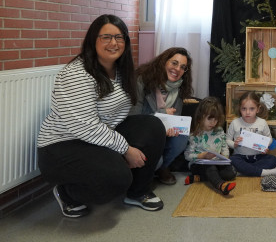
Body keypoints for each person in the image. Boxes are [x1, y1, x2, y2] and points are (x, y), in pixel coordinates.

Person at [37, 14, 166, 218]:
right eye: (106, 37)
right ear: (92, 40)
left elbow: (119, 115)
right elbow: (85, 127)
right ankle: (67, 194)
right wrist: (125, 149)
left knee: (153, 126)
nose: (114, 43)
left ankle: (137, 192)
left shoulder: (121, 70)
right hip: (62, 147)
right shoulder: (76, 74)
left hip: (98, 138)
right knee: (117, 177)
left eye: (119, 37)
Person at [130, 47, 193, 185]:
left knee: (182, 138)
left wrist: (172, 128)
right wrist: (162, 116)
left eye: (183, 67)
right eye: (174, 63)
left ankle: (161, 167)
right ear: (164, 62)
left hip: (162, 135)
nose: (177, 69)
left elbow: (175, 118)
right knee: (154, 161)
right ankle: (153, 167)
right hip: (141, 135)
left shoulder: (180, 88)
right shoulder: (142, 81)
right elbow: (133, 118)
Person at [184, 97, 237, 195]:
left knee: (231, 173)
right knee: (210, 167)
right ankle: (221, 185)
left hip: (217, 162)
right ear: (200, 117)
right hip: (199, 164)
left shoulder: (219, 131)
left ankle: (198, 178)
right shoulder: (194, 134)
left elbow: (224, 146)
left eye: (216, 119)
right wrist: (202, 156)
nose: (213, 122)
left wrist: (225, 158)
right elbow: (187, 155)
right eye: (210, 118)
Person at [226, 91, 276, 177]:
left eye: (252, 109)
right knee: (232, 160)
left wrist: (265, 145)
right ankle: (262, 172)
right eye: (244, 109)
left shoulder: (262, 123)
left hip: (258, 156)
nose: (247, 112)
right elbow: (227, 140)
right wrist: (234, 144)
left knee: (273, 159)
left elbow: (269, 138)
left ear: (258, 109)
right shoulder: (235, 123)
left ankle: (245, 171)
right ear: (239, 108)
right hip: (240, 156)